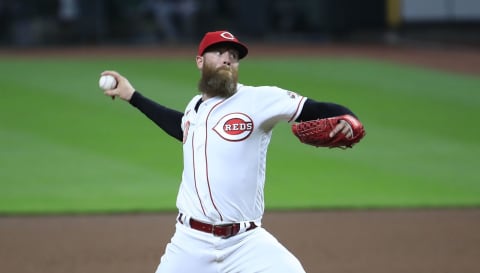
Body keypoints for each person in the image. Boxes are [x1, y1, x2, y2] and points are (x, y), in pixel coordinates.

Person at [101, 30, 361, 272]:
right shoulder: (195, 107)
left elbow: (316, 108)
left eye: (234, 56)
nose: (228, 59)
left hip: (245, 243)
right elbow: (183, 128)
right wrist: (133, 96)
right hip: (189, 243)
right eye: (219, 52)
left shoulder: (259, 100)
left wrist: (348, 118)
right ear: (200, 62)